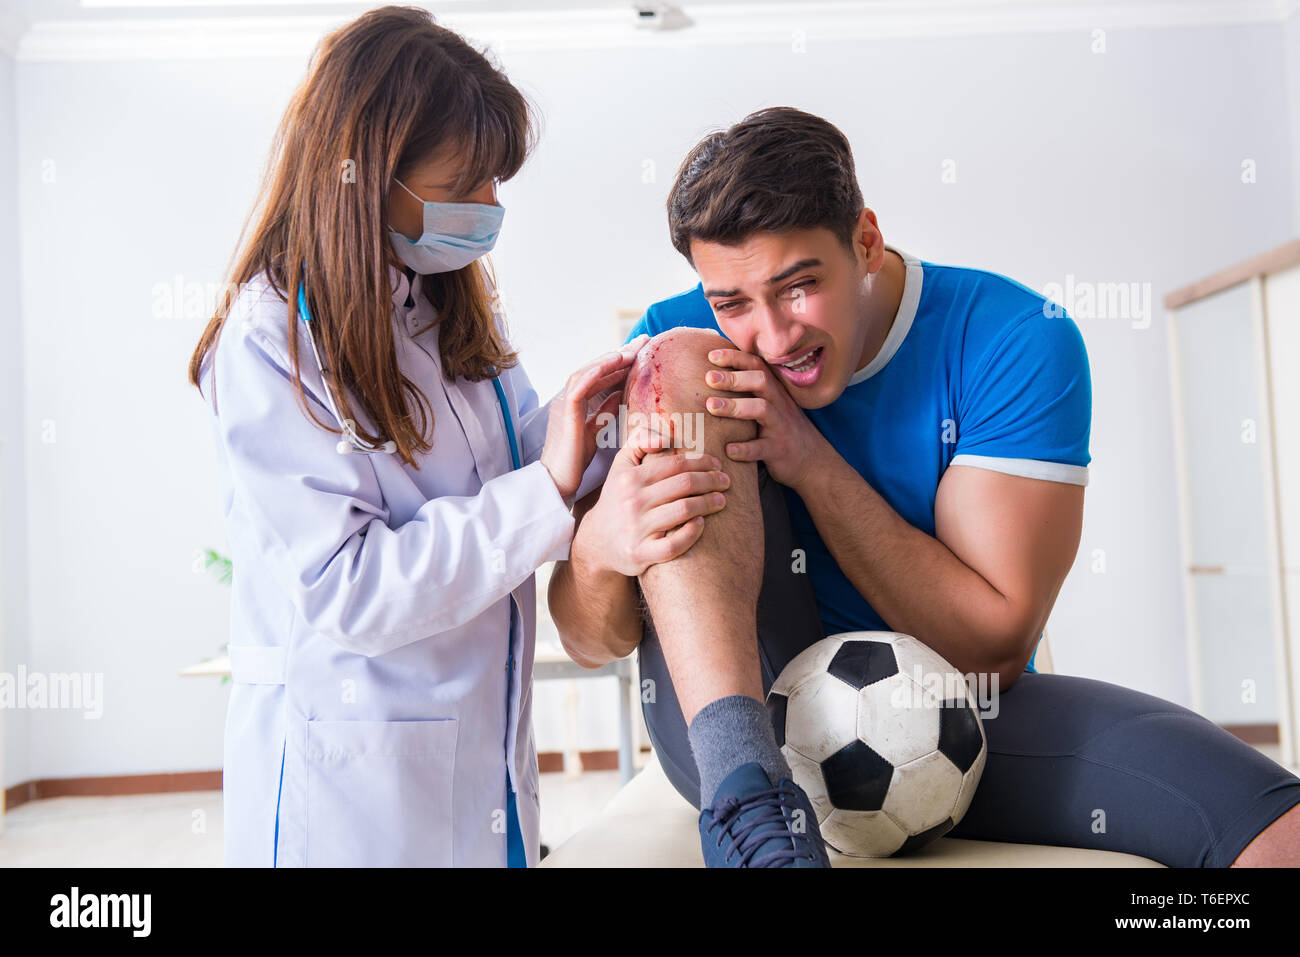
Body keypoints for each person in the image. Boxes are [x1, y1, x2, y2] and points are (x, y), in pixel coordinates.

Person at [549, 106, 1300, 868]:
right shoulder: (675, 335)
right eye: (732, 302)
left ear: (866, 242)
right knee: (678, 363)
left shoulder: (1013, 337)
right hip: (745, 727)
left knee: (1278, 828)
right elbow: (590, 638)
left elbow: (994, 645)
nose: (772, 338)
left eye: (798, 285)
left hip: (947, 709)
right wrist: (603, 547)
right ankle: (749, 804)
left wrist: (807, 457)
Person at [185, 6, 714, 867]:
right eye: (467, 183)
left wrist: (601, 415)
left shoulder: (443, 298)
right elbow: (347, 588)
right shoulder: (269, 338)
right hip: (357, 786)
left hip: (483, 754)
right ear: (369, 173)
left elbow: (504, 470)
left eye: (495, 183)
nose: (489, 209)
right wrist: (548, 484)